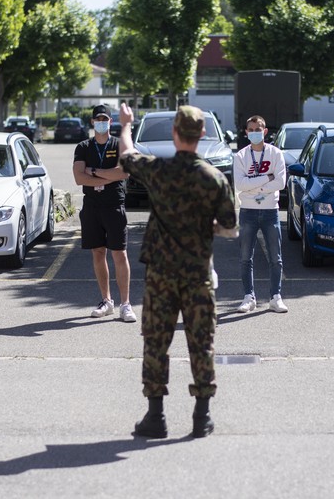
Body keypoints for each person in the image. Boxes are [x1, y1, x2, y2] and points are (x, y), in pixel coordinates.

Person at [118, 104, 237, 439]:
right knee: (201, 344)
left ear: (174, 133)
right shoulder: (214, 178)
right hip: (198, 274)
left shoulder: (159, 170)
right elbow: (229, 226)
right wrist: (204, 226)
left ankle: (155, 417)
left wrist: (126, 126)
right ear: (201, 134)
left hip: (161, 274)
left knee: (156, 342)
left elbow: (126, 156)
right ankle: (202, 416)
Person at [72, 105, 135, 322]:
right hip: (92, 207)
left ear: (110, 121)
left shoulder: (118, 144)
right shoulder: (83, 146)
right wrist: (111, 176)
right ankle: (106, 301)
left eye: (105, 119)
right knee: (98, 253)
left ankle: (126, 304)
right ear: (92, 122)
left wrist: (95, 172)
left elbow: (125, 172)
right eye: (98, 119)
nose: (101, 122)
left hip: (114, 205)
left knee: (120, 254)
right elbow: (79, 178)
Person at [233, 115, 287, 313]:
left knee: (276, 257)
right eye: (251, 129)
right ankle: (249, 297)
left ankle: (275, 297)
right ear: (246, 133)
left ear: (265, 131)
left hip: (270, 211)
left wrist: (254, 187)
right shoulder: (240, 156)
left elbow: (280, 182)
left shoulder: (276, 154)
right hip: (248, 211)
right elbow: (240, 184)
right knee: (246, 257)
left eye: (259, 128)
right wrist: (266, 178)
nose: (255, 132)